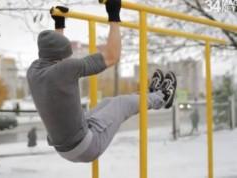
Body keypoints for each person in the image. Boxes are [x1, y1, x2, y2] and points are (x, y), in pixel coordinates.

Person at [27, 0, 177, 162]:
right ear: (60, 58)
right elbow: (112, 56)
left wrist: (59, 23)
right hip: (85, 147)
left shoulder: (34, 70)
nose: (69, 57)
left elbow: (54, 52)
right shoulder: (66, 68)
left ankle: (149, 95)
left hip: (66, 145)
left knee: (108, 102)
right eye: (67, 55)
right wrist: (114, 15)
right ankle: (163, 97)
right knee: (121, 104)